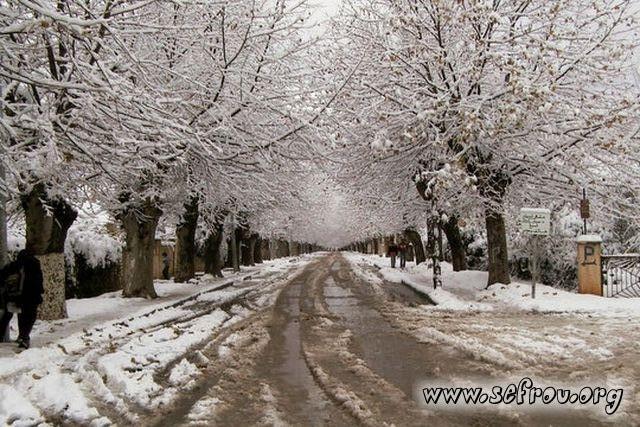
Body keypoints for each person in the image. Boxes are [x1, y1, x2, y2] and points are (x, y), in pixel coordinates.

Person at [0, 249, 44, 349]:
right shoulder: (36, 266)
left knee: (7, 315)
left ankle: (1, 335)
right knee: (28, 318)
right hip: (31, 299)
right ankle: (24, 338)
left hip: (15, 297)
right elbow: (39, 285)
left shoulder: (16, 265)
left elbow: (2, 275)